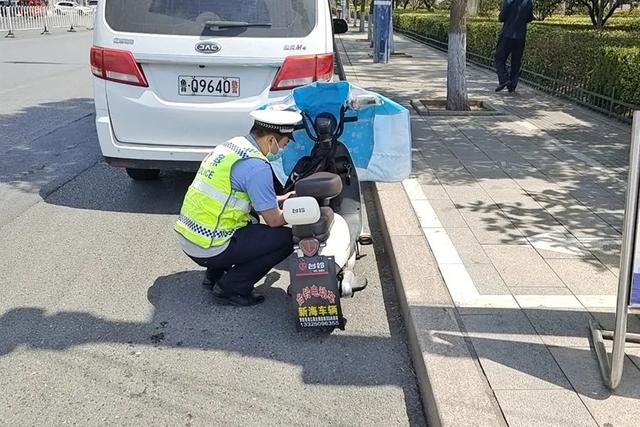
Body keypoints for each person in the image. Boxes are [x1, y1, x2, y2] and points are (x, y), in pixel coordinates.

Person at [174, 109, 302, 307]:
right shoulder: (257, 166)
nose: (282, 150)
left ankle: (214, 274)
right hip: (209, 246)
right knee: (284, 239)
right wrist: (299, 211)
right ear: (270, 140)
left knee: (250, 219)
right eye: (283, 144)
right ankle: (232, 288)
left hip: (190, 237)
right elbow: (274, 220)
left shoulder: (232, 147)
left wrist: (283, 198)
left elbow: (243, 195)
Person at [494, 0, 534, 93]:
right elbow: (530, 18)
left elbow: (502, 17)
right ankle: (512, 86)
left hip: (507, 35)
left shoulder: (508, 1)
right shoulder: (528, 1)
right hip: (521, 36)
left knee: (499, 59)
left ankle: (504, 79)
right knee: (516, 61)